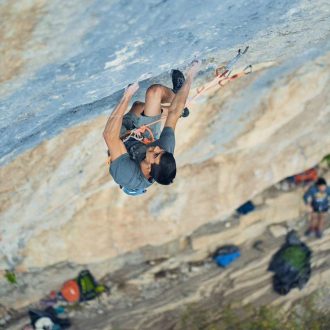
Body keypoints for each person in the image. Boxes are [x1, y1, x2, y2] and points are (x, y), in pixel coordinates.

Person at [103, 61, 201, 195]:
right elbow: (174, 113)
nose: (157, 147)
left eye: (156, 154)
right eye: (160, 150)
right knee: (155, 92)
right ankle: (176, 98)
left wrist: (127, 96)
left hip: (122, 144)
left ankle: (164, 109)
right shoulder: (164, 150)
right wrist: (191, 75)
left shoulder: (127, 175)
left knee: (134, 107)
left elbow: (109, 136)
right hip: (144, 139)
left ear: (149, 169)